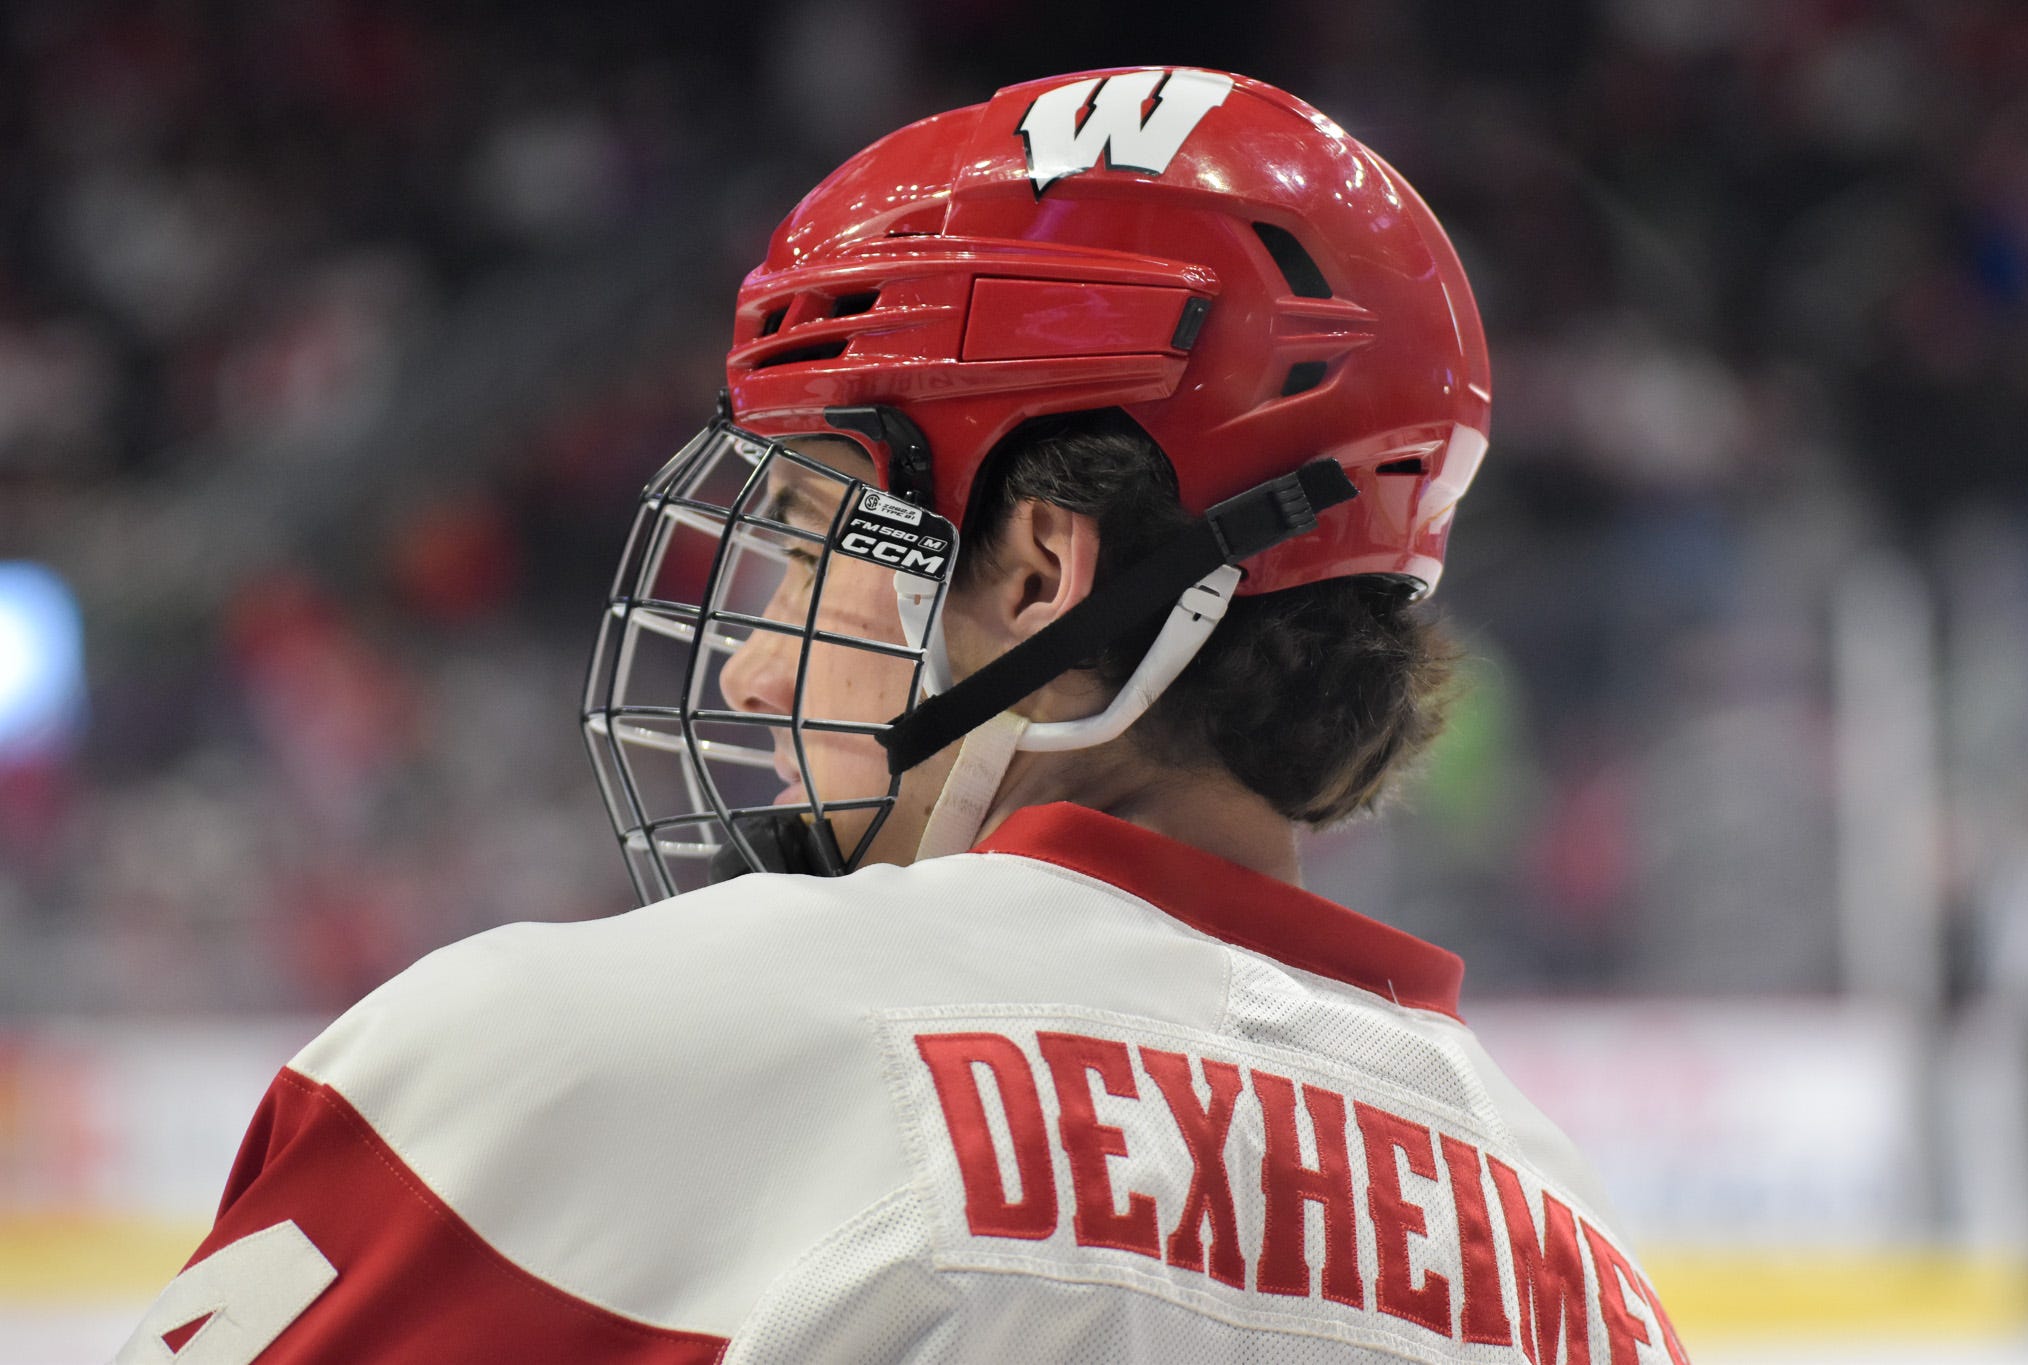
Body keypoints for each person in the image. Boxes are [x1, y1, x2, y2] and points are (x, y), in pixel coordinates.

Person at [120, 67, 1689, 1364]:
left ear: (1042, 576)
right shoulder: (1584, 1279)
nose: (750, 671)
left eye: (815, 543)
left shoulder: (600, 1067)